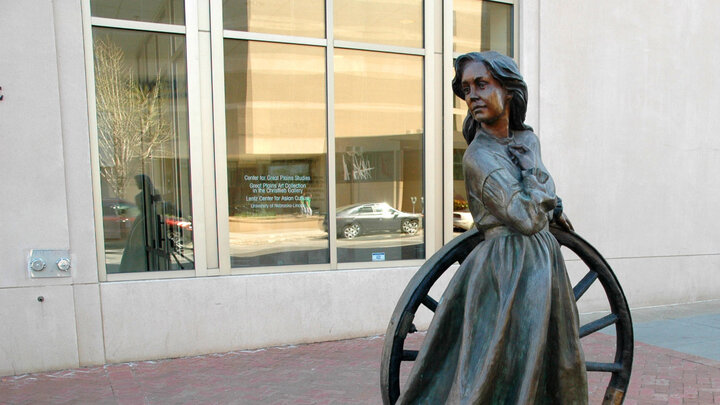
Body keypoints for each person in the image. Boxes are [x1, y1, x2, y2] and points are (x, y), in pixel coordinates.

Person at [398, 51, 587, 404]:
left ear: (509, 90)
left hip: (544, 265)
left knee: (553, 356)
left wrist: (552, 202)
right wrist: (536, 178)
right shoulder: (479, 157)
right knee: (505, 360)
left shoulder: (527, 140)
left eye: (481, 84)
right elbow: (526, 217)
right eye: (466, 88)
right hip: (506, 268)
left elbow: (541, 203)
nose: (472, 95)